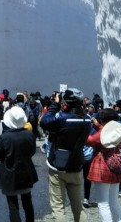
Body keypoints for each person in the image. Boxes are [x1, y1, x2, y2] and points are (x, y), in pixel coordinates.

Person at [40, 88, 90, 222]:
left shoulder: (62, 119)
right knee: (78, 207)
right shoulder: (87, 120)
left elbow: (44, 122)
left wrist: (54, 105)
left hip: (58, 164)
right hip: (76, 165)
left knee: (58, 206)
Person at [0, 106, 39, 222]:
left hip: (9, 173)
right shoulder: (29, 134)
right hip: (26, 172)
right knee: (27, 202)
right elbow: (32, 151)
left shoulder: (4, 137)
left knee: (13, 206)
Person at [86, 108, 121, 222]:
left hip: (103, 167)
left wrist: (94, 126)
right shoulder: (120, 129)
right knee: (114, 202)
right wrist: (99, 127)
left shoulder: (102, 133)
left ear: (102, 120)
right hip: (117, 167)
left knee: (103, 203)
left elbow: (89, 140)